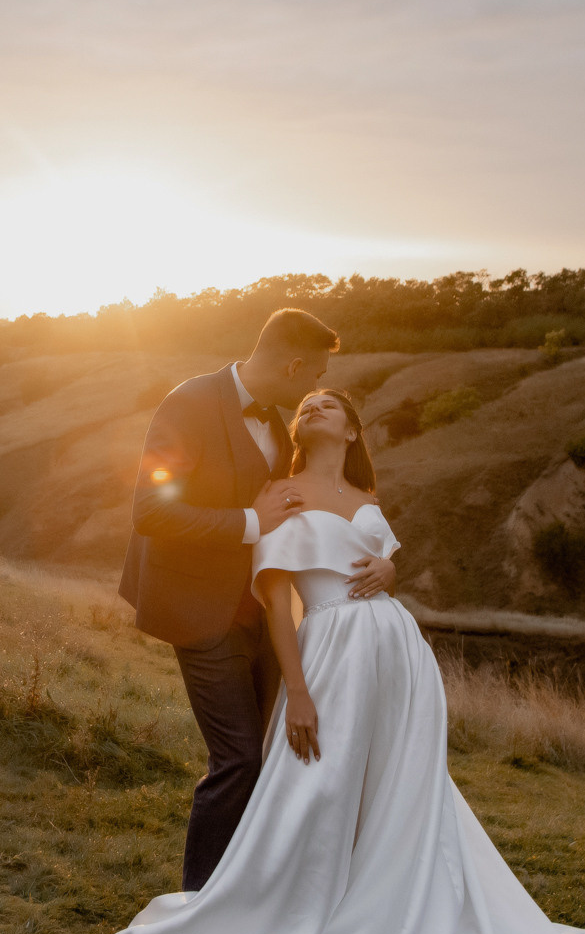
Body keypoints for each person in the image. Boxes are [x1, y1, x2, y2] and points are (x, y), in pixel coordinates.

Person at [110, 387, 585, 934]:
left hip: (399, 655)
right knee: (319, 784)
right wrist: (296, 692)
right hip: (332, 652)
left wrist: (391, 567)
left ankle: (393, 905)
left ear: (353, 429)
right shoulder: (282, 493)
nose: (315, 407)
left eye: (331, 403)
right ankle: (302, 911)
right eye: (308, 404)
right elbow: (278, 603)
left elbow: (380, 560)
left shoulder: (365, 496)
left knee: (401, 791)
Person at [118, 309, 396, 891]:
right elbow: (149, 511)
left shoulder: (278, 423)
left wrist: (383, 561)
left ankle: (253, 890)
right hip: (199, 609)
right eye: (314, 374)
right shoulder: (191, 403)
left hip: (266, 614)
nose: (314, 388)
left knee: (272, 756)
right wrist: (249, 521)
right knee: (238, 759)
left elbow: (318, 513)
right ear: (293, 366)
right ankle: (200, 902)